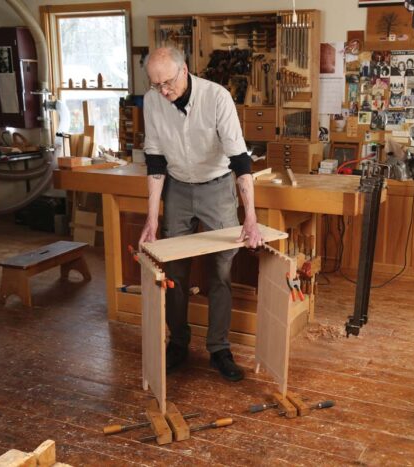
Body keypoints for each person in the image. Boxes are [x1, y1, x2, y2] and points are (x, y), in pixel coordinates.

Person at [139, 46, 263, 382]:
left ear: (185, 70)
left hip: (218, 186)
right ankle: (178, 342)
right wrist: (152, 217)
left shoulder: (217, 97)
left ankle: (219, 348)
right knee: (174, 271)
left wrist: (249, 216)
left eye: (168, 83)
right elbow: (154, 161)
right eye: (155, 85)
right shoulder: (153, 100)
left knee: (220, 269)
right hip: (177, 187)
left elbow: (240, 160)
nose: (163, 92)